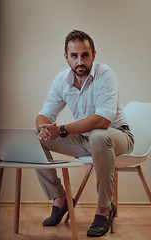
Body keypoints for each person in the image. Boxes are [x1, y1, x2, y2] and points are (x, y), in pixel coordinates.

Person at [35, 30, 134, 237]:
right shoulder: (61, 80)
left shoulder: (105, 74)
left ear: (94, 55)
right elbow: (44, 114)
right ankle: (60, 199)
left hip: (117, 136)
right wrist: (44, 130)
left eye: (85, 55)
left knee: (98, 135)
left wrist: (60, 130)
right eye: (74, 56)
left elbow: (103, 120)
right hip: (86, 140)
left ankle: (104, 209)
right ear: (66, 57)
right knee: (34, 139)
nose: (80, 61)